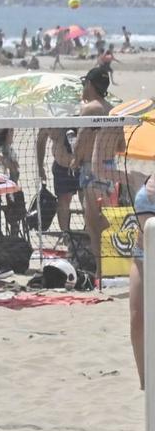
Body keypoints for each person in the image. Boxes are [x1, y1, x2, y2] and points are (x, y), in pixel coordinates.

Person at [75, 66, 125, 272]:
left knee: (94, 226)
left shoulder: (89, 109)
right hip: (110, 170)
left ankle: (100, 271)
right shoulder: (113, 110)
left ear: (89, 84)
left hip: (91, 170)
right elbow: (121, 146)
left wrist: (75, 159)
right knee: (106, 222)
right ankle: (110, 267)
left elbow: (79, 144)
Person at [129, 176, 155, 389]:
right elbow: (100, 167)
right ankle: (145, 385)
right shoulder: (139, 175)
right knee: (137, 317)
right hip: (142, 254)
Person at [37, 128, 80, 232]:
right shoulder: (52, 122)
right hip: (62, 167)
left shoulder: (83, 117)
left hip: (82, 166)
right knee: (63, 201)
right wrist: (40, 166)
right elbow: (41, 139)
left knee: (87, 200)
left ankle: (89, 232)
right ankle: (65, 233)